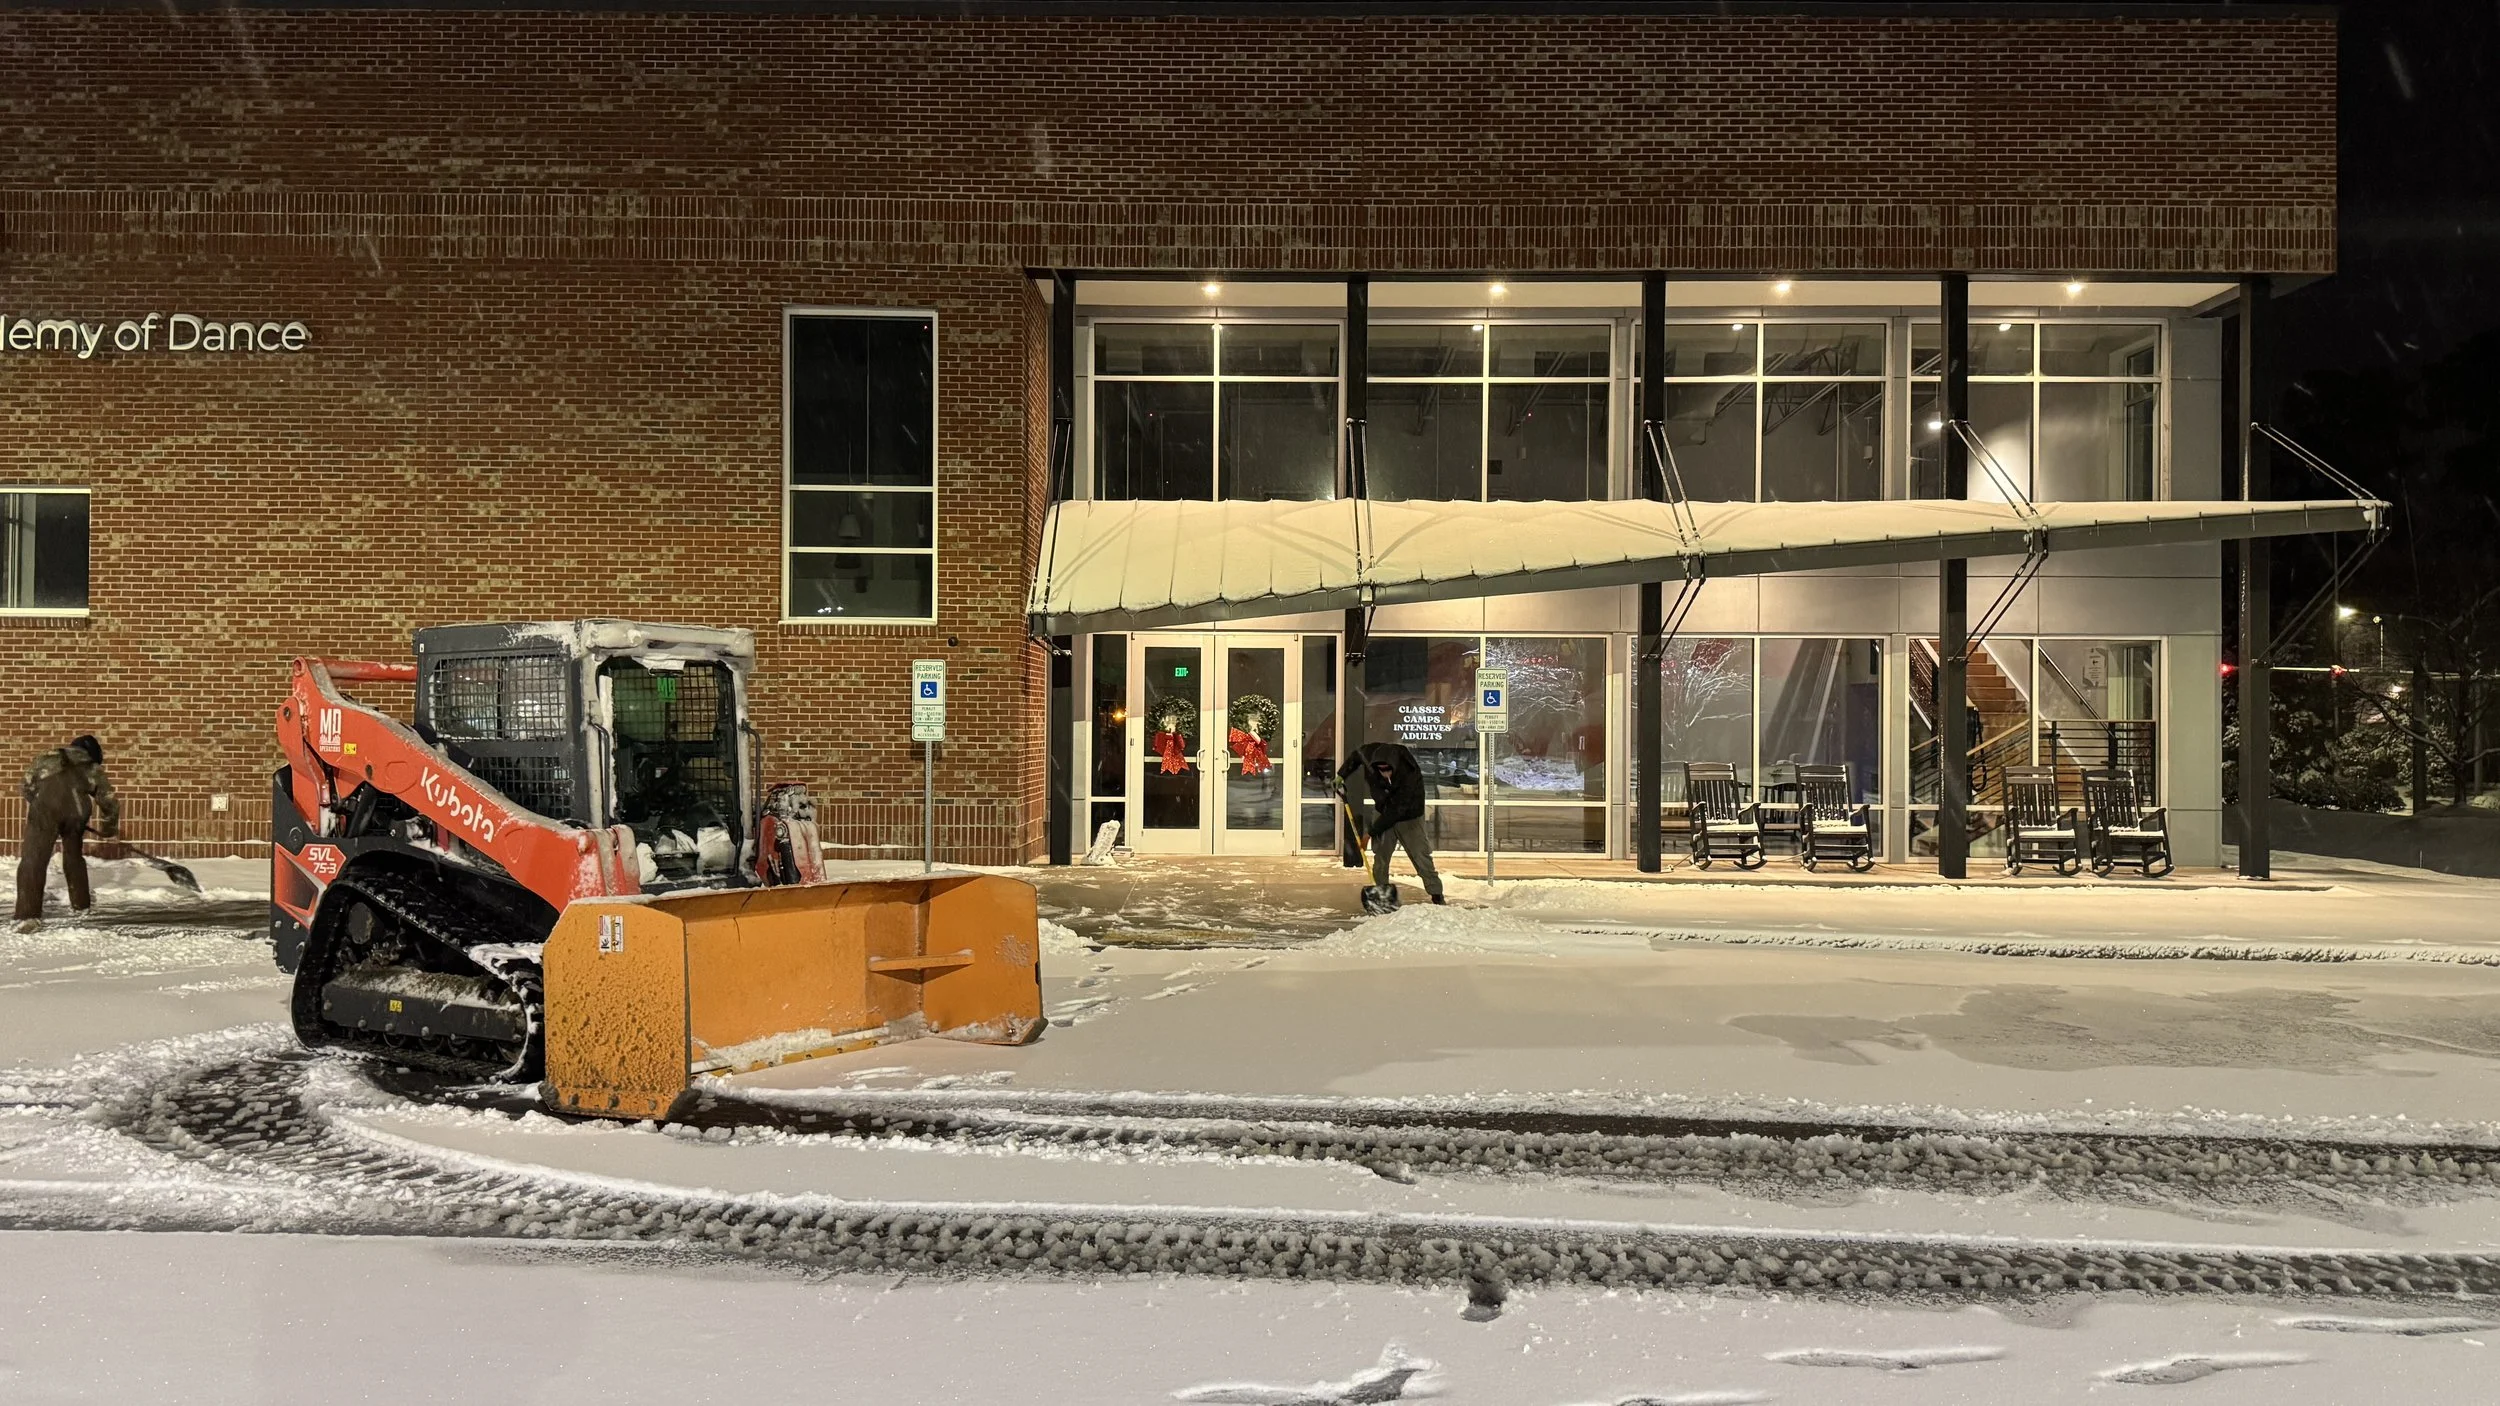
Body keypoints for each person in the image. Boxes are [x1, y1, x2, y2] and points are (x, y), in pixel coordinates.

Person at [16, 734, 120, 926]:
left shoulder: (45, 759)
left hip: (44, 811)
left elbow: (26, 786)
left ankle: (27, 915)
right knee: (74, 858)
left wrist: (40, 803)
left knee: (33, 860)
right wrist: (108, 828)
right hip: (77, 813)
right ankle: (81, 905)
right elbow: (109, 801)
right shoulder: (92, 767)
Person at [1336, 740, 1444, 907]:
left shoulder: (1409, 773)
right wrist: (1341, 774)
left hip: (1409, 816)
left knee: (1420, 855)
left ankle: (1436, 894)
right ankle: (1381, 896)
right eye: (1381, 770)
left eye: (1387, 769)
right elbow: (1356, 756)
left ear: (1394, 765)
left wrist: (1370, 833)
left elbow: (1397, 810)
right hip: (1383, 810)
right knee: (1381, 857)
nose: (1384, 773)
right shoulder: (1369, 755)